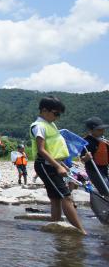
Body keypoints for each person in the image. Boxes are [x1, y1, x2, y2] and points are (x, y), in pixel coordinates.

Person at [31, 96, 86, 234]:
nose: (57, 117)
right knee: (66, 196)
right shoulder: (38, 126)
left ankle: (55, 228)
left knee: (55, 198)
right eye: (56, 113)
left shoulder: (51, 125)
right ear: (44, 110)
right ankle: (81, 231)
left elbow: (53, 149)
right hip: (45, 165)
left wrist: (62, 164)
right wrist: (58, 166)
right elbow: (41, 150)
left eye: (59, 115)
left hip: (54, 164)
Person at [82, 117, 109, 195]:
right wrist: (86, 157)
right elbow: (82, 158)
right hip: (94, 170)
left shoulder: (103, 140)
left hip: (104, 169)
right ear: (91, 130)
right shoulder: (87, 142)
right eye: (99, 130)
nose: (102, 131)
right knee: (106, 190)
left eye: (102, 129)